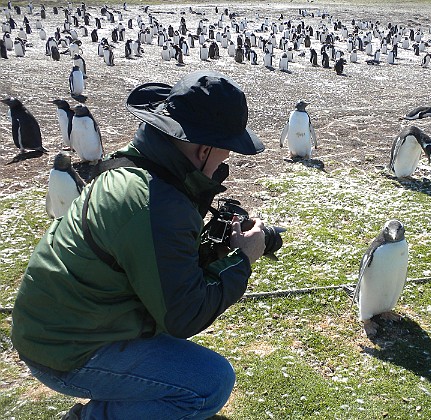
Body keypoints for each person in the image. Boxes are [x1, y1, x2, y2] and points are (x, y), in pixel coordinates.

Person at [11, 70, 267, 419]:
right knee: (209, 383)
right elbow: (185, 315)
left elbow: (155, 261)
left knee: (181, 364)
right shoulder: (157, 202)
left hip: (52, 327)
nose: (226, 160)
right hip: (63, 352)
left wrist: (214, 250)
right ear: (204, 148)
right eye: (226, 152)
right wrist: (243, 258)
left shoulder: (134, 166)